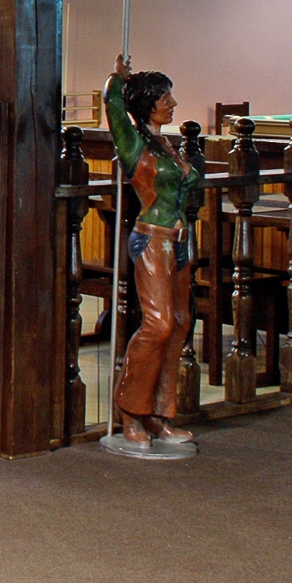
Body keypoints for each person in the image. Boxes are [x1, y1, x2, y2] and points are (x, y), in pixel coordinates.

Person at [105, 57, 198, 454]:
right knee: (158, 324)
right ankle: (130, 410)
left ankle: (161, 413)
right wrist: (118, 77)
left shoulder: (165, 143)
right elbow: (113, 104)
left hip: (179, 240)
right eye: (164, 98)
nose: (172, 103)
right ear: (147, 105)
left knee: (179, 323)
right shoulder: (134, 144)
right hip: (152, 240)